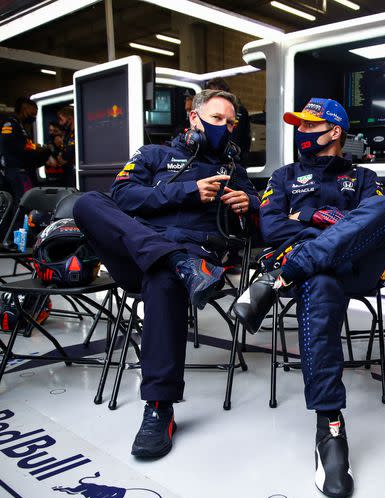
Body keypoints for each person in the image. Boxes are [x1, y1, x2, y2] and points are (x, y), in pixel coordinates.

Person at [73, 89, 259, 459]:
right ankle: (174, 260)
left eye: (231, 122)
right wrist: (188, 191)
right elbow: (122, 196)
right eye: (217, 118)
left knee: (162, 277)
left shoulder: (234, 170)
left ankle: (159, 407)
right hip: (142, 253)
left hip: (196, 258)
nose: (225, 127)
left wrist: (248, 205)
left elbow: (259, 223)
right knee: (87, 202)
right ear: (194, 117)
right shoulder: (153, 154)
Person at [233, 98, 385, 498]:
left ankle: (275, 281)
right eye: (299, 126)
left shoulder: (363, 177)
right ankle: (330, 427)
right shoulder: (284, 175)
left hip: (350, 269)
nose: (301, 133)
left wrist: (307, 217)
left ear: (335, 132)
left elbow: (371, 223)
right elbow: (272, 228)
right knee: (321, 279)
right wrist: (331, 225)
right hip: (316, 273)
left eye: (310, 127)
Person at [0, 98, 50, 201]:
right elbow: (13, 145)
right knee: (25, 201)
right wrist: (37, 149)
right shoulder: (10, 124)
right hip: (15, 171)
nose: (34, 116)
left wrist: (37, 148)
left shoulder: (20, 126)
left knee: (24, 199)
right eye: (33, 113)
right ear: (24, 108)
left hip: (22, 170)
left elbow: (25, 145)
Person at [205, 78, 250, 163]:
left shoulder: (238, 111)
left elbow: (239, 137)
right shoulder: (208, 112)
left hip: (233, 159)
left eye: (213, 94)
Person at [55, 106, 76, 187]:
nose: (60, 123)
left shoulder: (77, 132)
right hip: (67, 174)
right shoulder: (67, 135)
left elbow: (67, 155)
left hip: (74, 174)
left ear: (70, 118)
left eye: (61, 119)